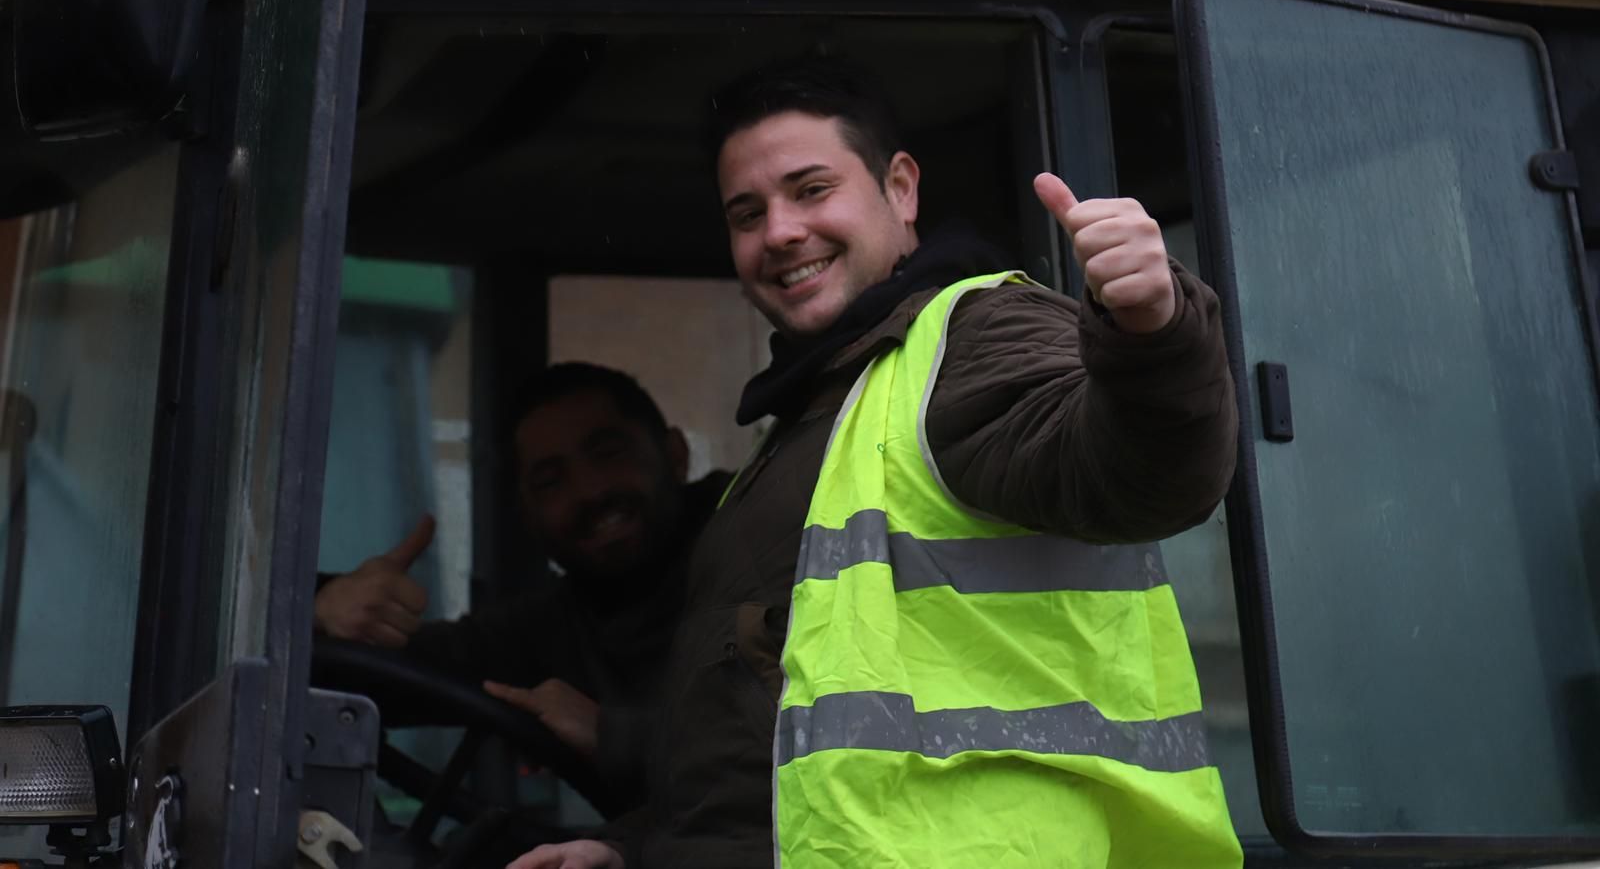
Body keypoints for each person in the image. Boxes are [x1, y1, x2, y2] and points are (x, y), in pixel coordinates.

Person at [512, 58, 1241, 869]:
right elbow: (778, 742)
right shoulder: (820, 409)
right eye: (747, 212)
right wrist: (630, 847)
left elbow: (1149, 477)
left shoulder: (971, 338)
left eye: (812, 190)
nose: (780, 231)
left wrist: (1154, 331)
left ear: (900, 189)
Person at [314, 362, 729, 809]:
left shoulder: (762, 544)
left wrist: (612, 735)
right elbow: (394, 682)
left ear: (675, 455)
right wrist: (322, 611)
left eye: (608, 453)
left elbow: (775, 749)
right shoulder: (552, 627)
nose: (588, 491)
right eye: (551, 482)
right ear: (528, 517)